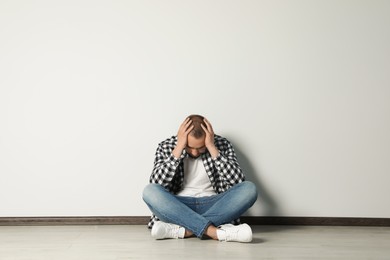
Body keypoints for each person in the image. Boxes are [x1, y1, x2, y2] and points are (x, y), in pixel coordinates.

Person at [142, 114, 258, 242]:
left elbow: (238, 181)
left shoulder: (222, 144)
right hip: (178, 206)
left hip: (214, 205)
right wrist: (179, 147)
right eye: (190, 147)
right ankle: (214, 232)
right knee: (150, 191)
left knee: (249, 189)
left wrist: (212, 147)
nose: (195, 152)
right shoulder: (166, 146)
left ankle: (185, 230)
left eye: (201, 147)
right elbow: (156, 182)